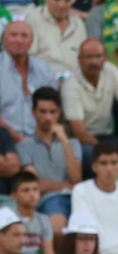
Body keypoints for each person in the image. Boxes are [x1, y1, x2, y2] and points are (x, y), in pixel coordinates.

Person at [62, 39, 118, 176]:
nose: (94, 61)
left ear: (105, 58)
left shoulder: (110, 70)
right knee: (97, 160)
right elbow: (79, 133)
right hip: (83, 141)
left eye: (98, 56)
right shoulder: (71, 86)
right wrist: (109, 151)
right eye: (88, 57)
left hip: (107, 136)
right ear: (79, 60)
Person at [16, 87, 83, 234]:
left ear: (59, 113)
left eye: (53, 112)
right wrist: (69, 186)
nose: (48, 117)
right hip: (48, 200)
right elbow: (36, 184)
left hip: (77, 198)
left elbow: (76, 178)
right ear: (33, 112)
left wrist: (64, 140)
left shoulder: (72, 144)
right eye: (43, 112)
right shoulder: (24, 146)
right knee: (58, 228)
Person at [0, 22, 59, 142]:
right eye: (13, 35)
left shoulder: (44, 70)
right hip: (4, 141)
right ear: (3, 40)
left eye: (24, 36)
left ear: (31, 41)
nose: (19, 40)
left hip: (41, 139)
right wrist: (20, 140)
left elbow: (54, 108)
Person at [24, 0, 88, 79]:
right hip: (44, 78)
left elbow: (84, 56)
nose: (61, 5)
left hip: (74, 79)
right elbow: (28, 56)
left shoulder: (78, 23)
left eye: (67, 0)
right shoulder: (34, 19)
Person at [10, 171, 54, 254]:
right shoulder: (9, 219)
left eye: (35, 189)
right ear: (14, 195)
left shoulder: (44, 220)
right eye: (25, 190)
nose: (32, 194)